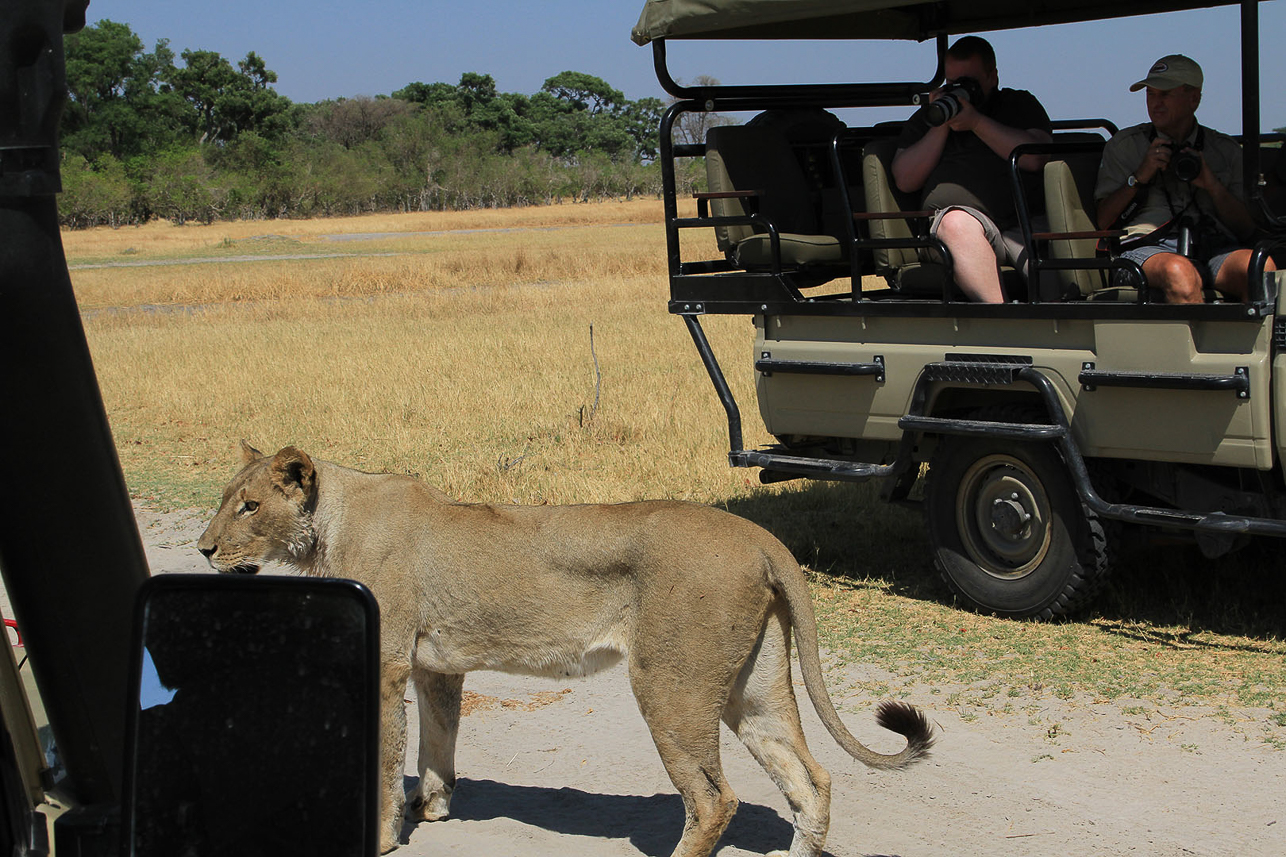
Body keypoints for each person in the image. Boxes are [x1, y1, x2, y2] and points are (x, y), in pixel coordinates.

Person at [1094, 54, 1275, 303]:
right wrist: (1140, 176)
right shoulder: (1126, 146)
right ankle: (1199, 343)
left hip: (1212, 247)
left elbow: (1245, 228)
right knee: (1179, 272)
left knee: (1260, 268)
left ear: (1194, 98)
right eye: (1151, 95)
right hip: (1145, 248)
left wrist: (1211, 185)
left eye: (1165, 94)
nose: (1155, 104)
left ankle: (1252, 343)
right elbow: (1103, 222)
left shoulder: (1223, 149)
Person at [892, 36, 1053, 303]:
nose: (959, 90)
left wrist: (976, 122)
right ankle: (1001, 321)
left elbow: (1035, 157)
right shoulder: (929, 118)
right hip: (959, 227)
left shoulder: (1017, 104)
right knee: (956, 224)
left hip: (1021, 224)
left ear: (993, 77)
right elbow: (905, 180)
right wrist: (941, 123)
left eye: (969, 83)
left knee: (1060, 276)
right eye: (952, 83)